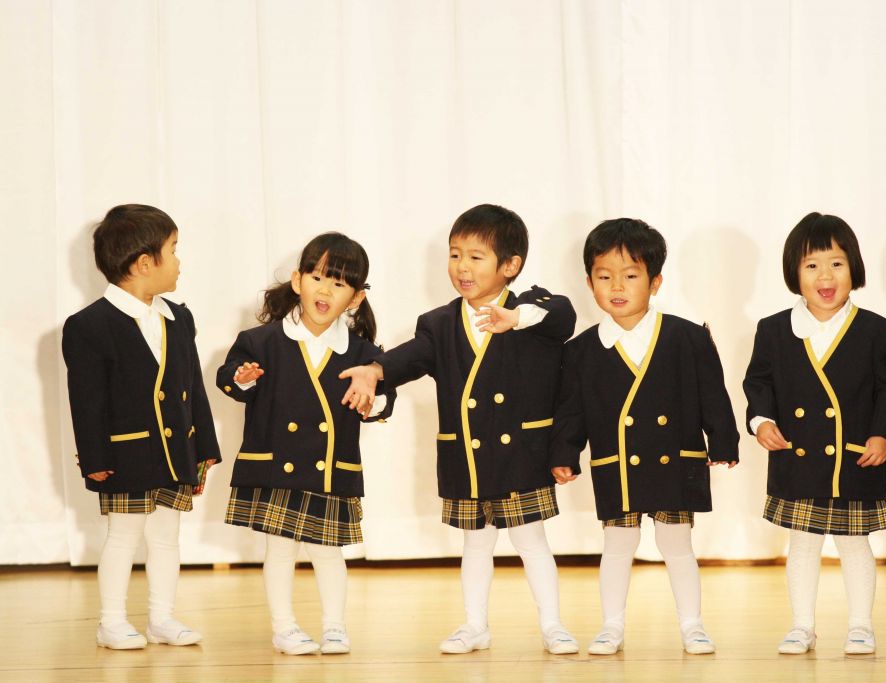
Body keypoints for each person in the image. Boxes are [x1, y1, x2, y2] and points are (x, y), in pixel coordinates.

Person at [340, 204, 579, 655]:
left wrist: (516, 318)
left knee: (531, 541)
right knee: (475, 544)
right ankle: (474, 625)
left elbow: (563, 316)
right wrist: (375, 369)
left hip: (520, 455)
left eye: (475, 256)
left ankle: (553, 625)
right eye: (454, 255)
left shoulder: (534, 311)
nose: (462, 267)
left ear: (510, 265)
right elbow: (410, 357)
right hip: (467, 458)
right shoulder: (438, 323)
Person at [550, 217, 739, 656]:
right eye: (604, 276)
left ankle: (692, 625)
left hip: (676, 459)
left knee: (677, 545)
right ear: (589, 282)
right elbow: (571, 411)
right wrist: (564, 452)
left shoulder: (687, 336)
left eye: (631, 275)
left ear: (655, 282)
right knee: (617, 545)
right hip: (617, 463)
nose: (617, 286)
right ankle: (611, 626)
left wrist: (724, 441)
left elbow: (713, 393)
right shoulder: (580, 350)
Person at [217, 232, 394, 655]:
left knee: (329, 552)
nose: (325, 290)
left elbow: (386, 399)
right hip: (276, 466)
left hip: (329, 468)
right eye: (317, 277)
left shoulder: (362, 353)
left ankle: (335, 627)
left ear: (355, 299)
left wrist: (372, 399)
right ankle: (284, 628)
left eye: (339, 283)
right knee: (279, 551)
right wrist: (241, 379)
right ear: (297, 281)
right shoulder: (260, 341)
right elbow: (229, 378)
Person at [63, 204, 220, 649]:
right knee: (123, 536)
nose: (179, 261)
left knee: (167, 537)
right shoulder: (88, 326)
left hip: (176, 454)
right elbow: (86, 402)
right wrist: (94, 458)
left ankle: (161, 618)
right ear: (144, 263)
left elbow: (194, 387)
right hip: (125, 455)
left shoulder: (179, 318)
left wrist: (205, 447)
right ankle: (111, 622)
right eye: (174, 250)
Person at [743, 212, 886, 655]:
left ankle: (861, 625)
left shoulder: (879, 331)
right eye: (812, 265)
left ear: (854, 268)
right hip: (798, 457)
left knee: (855, 544)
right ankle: (802, 626)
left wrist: (883, 435)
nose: (825, 276)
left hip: (856, 458)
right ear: (794, 272)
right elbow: (758, 383)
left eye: (836, 263)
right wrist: (761, 421)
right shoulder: (774, 329)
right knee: (803, 544)